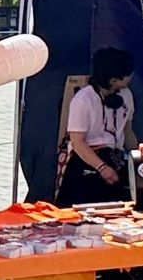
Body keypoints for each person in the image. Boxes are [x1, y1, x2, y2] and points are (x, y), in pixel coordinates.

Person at [58, 47, 136, 205]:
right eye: (127, 76)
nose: (131, 79)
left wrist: (140, 157)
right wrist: (101, 167)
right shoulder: (83, 100)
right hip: (88, 161)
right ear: (113, 80)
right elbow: (78, 142)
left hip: (116, 158)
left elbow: (127, 131)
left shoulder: (126, 95)